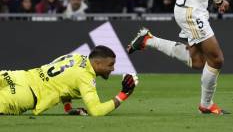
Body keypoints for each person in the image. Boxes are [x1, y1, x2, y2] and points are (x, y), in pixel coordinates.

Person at [0, 45, 137, 116]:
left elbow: (60, 79)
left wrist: (68, 108)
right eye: (110, 65)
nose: (112, 69)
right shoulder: (86, 77)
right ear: (97, 63)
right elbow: (96, 111)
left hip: (18, 76)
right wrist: (124, 94)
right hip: (25, 94)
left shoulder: (76, 57)